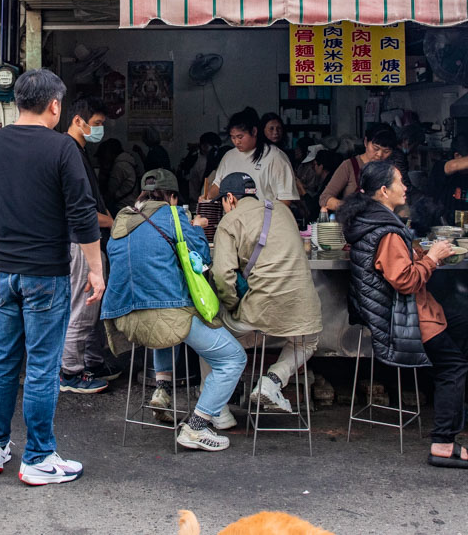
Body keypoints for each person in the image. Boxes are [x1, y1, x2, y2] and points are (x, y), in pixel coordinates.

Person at [0, 68, 103, 486]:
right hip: (46, 273)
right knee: (42, 366)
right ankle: (39, 457)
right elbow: (82, 213)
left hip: (2, 272)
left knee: (4, 360)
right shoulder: (62, 149)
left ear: (17, 102)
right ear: (54, 105)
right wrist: (96, 269)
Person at [340, 159, 468, 468]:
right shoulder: (386, 231)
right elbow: (405, 281)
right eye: (399, 182)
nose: (405, 187)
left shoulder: (370, 220)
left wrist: (422, 254)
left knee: (465, 323)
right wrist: (432, 258)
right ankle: (444, 444)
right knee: (452, 366)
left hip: (396, 311)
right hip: (401, 318)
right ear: (383, 191)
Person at [102, 169, 246, 451]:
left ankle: (163, 388)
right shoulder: (174, 215)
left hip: (124, 316)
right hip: (164, 315)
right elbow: (201, 259)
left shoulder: (121, 218)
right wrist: (195, 228)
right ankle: (197, 428)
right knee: (232, 359)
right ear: (173, 197)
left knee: (168, 324)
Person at [206, 172, 322, 414]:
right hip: (302, 312)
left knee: (208, 333)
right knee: (307, 342)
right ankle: (272, 381)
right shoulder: (282, 211)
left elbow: (221, 275)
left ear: (230, 198)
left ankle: (217, 410)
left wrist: (232, 305)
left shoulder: (230, 221)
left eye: (223, 204)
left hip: (258, 315)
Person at [59, 96, 118, 394]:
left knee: (93, 307)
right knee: (82, 307)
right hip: (79, 242)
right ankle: (70, 372)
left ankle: (92, 362)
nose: (99, 130)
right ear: (77, 121)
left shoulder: (79, 151)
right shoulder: (68, 151)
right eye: (96, 125)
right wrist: (114, 221)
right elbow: (78, 208)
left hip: (89, 239)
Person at [205, 111, 302, 207]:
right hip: (233, 218)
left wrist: (266, 217)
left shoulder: (275, 157)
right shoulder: (229, 156)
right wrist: (207, 197)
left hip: (264, 219)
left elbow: (285, 199)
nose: (236, 142)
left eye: (240, 137)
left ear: (254, 131)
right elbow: (218, 185)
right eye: (233, 137)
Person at [319, 126, 397, 212]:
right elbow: (325, 198)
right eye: (376, 148)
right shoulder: (349, 166)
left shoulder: (392, 171)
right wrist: (350, 207)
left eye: (386, 151)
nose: (379, 154)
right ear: (366, 142)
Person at [99, 137, 142, 213]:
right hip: (132, 203)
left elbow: (111, 190)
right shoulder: (128, 162)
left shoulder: (120, 166)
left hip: (122, 206)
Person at [180, 131, 222, 202]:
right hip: (196, 198)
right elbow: (204, 182)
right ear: (203, 146)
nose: (215, 151)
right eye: (213, 147)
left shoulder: (202, 159)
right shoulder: (201, 161)